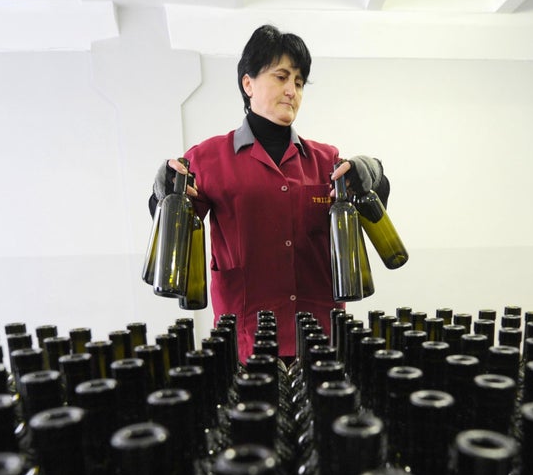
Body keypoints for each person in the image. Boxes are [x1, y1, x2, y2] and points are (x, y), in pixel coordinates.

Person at [149, 24, 390, 362]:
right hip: (247, 342)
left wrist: (374, 170)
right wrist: (161, 190)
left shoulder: (326, 160)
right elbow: (172, 223)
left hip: (320, 340)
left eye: (299, 82)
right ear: (248, 83)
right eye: (281, 77)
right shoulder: (208, 158)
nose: (292, 90)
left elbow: (373, 203)